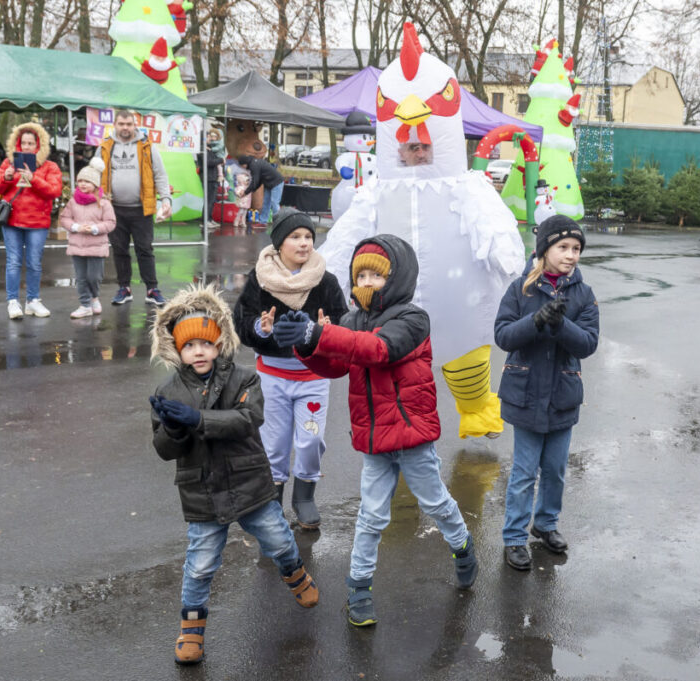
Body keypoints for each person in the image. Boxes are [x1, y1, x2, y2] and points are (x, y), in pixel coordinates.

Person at [272, 235, 479, 626]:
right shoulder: (352, 321)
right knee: (370, 517)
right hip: (374, 439)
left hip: (411, 436)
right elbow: (336, 365)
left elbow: (379, 350)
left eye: (376, 276)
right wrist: (306, 345)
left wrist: (319, 334)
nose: (366, 282)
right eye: (360, 275)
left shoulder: (413, 319)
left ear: (397, 278)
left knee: (436, 504)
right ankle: (359, 588)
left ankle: (462, 545)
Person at [149, 283, 319, 665]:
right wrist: (173, 430)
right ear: (176, 349)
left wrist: (197, 419)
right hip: (202, 494)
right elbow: (163, 450)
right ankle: (191, 628)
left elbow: (248, 419)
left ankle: (295, 573)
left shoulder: (244, 378)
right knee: (200, 566)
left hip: (250, 484)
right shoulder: (168, 390)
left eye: (206, 343)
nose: (198, 351)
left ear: (219, 343)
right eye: (189, 345)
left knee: (279, 541)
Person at [494, 216, 600, 570]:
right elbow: (504, 336)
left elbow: (588, 343)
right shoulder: (520, 289)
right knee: (524, 472)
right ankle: (514, 536)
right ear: (544, 250)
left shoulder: (584, 294)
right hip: (525, 395)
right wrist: (536, 320)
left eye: (577, 249)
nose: (571, 255)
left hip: (562, 397)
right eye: (563, 247)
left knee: (555, 469)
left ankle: (546, 523)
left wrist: (560, 324)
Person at [231, 208, 348, 529]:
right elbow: (241, 322)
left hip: (313, 378)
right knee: (274, 445)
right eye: (295, 236)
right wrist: (260, 328)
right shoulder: (260, 279)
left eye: (308, 236)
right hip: (272, 377)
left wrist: (329, 331)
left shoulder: (325, 281)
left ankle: (304, 497)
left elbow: (345, 322)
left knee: (310, 441)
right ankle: (272, 502)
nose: (304, 243)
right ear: (280, 242)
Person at [95, 109, 172, 306]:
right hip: (113, 209)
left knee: (145, 249)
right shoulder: (105, 146)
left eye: (129, 124)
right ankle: (124, 288)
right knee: (119, 249)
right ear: (115, 125)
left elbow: (160, 174)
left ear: (134, 125)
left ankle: (152, 289)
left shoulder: (147, 146)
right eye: (121, 124)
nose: (125, 128)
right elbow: (94, 175)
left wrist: (166, 199)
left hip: (141, 209)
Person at [0, 122, 64, 319]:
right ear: (17, 144)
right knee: (13, 261)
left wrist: (33, 178)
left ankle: (33, 300)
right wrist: (5, 177)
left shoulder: (50, 166)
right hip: (12, 220)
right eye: (23, 143)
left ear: (39, 145)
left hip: (38, 222)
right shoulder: (9, 163)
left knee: (34, 263)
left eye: (31, 143)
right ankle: (13, 301)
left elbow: (54, 191)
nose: (27, 147)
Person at [59, 158, 116, 318]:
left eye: (87, 181)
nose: (83, 184)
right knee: (81, 278)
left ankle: (94, 297)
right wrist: (75, 227)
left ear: (95, 184)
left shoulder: (104, 203)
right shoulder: (72, 202)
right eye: (80, 181)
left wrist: (96, 228)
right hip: (77, 246)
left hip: (96, 247)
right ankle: (85, 305)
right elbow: (64, 218)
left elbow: (111, 222)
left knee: (94, 277)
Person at [237, 151, 284, 229]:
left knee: (274, 203)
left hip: (276, 182)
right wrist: (251, 190)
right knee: (266, 202)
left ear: (244, 163)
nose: (242, 167)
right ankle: (263, 222)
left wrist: (246, 192)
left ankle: (280, 223)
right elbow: (258, 181)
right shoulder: (254, 163)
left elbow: (255, 181)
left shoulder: (254, 165)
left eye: (242, 166)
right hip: (268, 183)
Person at [201, 128, 225, 231]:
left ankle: (209, 219)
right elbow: (208, 162)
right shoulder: (203, 149)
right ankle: (205, 221)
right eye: (208, 137)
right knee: (209, 200)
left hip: (213, 177)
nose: (210, 139)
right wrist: (221, 160)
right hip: (208, 177)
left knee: (212, 200)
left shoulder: (209, 148)